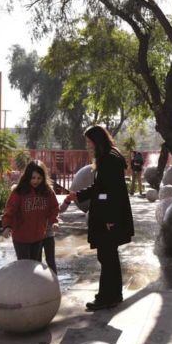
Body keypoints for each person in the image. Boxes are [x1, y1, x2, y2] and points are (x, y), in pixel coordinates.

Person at [66, 125, 134, 311]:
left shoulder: (109, 159)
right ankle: (114, 294)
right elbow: (101, 187)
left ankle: (106, 297)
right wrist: (78, 195)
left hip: (108, 217)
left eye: (90, 141)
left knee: (107, 256)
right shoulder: (110, 157)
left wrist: (110, 219)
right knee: (109, 256)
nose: (88, 145)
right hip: (108, 215)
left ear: (98, 141)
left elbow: (110, 192)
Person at [1, 161, 59, 262]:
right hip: (21, 238)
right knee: (25, 266)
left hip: (38, 237)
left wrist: (54, 221)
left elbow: (54, 208)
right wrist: (7, 226)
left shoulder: (47, 192)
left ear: (43, 178)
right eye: (33, 178)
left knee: (36, 265)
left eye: (39, 178)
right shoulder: (19, 192)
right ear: (27, 176)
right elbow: (10, 210)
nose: (36, 181)